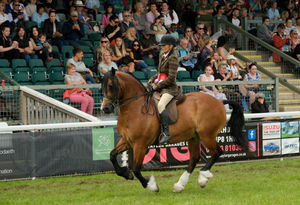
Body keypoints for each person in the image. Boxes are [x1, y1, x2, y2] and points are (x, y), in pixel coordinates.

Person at [147, 35, 180, 144]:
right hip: (162, 86)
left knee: (161, 105)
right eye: (161, 45)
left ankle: (167, 133)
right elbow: (160, 73)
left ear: (170, 46)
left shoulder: (173, 58)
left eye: (164, 45)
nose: (162, 47)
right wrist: (152, 79)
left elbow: (171, 78)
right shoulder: (163, 55)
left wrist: (157, 86)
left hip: (170, 89)